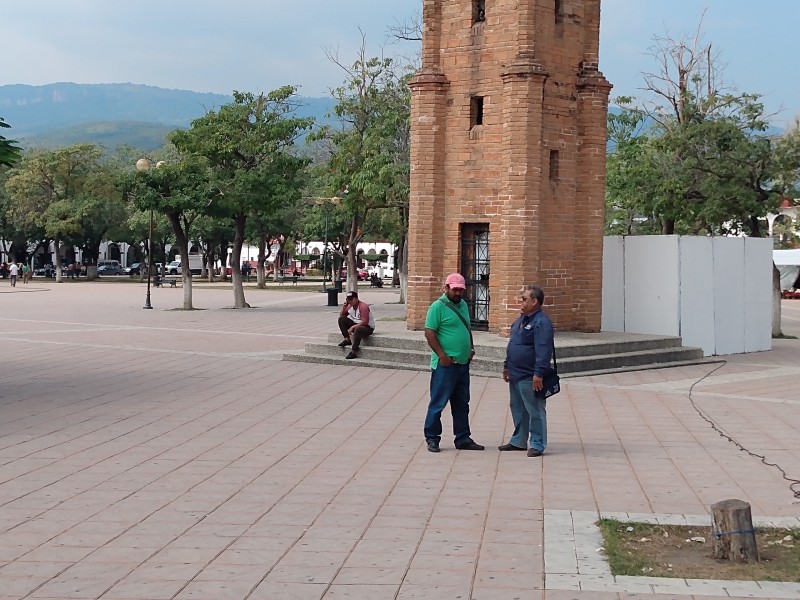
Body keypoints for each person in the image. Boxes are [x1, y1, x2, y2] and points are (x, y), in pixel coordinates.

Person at [422, 273, 484, 453]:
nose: (458, 293)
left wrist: (471, 348)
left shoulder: (463, 305)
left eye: (461, 289)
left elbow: (466, 328)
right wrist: (442, 356)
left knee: (462, 403)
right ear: (447, 288)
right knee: (438, 403)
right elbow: (429, 333)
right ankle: (432, 438)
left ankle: (463, 437)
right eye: (455, 289)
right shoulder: (437, 307)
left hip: (462, 364)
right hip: (446, 365)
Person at [498, 285, 555, 457]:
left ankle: (537, 443)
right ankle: (519, 440)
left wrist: (539, 373)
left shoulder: (541, 322)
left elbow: (544, 350)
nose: (520, 302)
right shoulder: (520, 320)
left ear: (535, 301)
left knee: (534, 409)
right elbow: (513, 345)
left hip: (530, 375)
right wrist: (507, 366)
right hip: (516, 373)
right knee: (518, 407)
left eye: (524, 299)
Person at [337, 290, 375, 359]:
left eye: (351, 299)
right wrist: (344, 307)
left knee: (358, 329)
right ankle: (347, 339)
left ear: (356, 299)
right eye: (348, 299)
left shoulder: (363, 306)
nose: (350, 301)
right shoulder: (349, 306)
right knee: (341, 319)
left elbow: (365, 321)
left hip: (367, 327)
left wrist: (352, 327)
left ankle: (354, 350)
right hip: (356, 323)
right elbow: (342, 315)